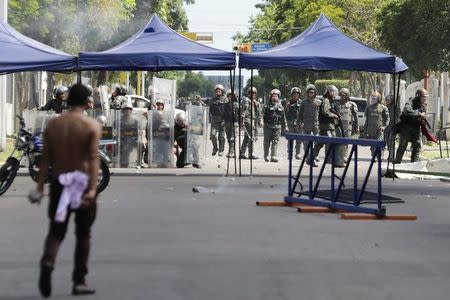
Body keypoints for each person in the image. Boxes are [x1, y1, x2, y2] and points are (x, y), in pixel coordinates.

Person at [31, 83, 101, 297]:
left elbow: (45, 160)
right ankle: (79, 281)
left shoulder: (54, 125)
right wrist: (91, 189)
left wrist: (40, 187)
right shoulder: (91, 125)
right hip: (81, 186)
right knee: (83, 233)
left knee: (57, 230)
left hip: (61, 185)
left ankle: (48, 260)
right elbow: (93, 159)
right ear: (86, 101)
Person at [395, 88, 428, 163]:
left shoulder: (423, 106)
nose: (425, 98)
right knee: (402, 147)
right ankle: (397, 165)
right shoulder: (411, 102)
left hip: (416, 128)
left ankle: (414, 165)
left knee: (417, 147)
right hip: (406, 127)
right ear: (418, 96)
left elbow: (422, 116)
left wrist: (422, 120)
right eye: (423, 96)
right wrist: (419, 114)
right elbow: (407, 111)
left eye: (426, 96)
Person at [310, 85, 339, 166]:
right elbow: (325, 112)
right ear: (328, 92)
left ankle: (310, 158)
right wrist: (334, 115)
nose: (334, 93)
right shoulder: (326, 100)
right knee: (333, 141)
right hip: (327, 126)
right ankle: (332, 159)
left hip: (326, 126)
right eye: (332, 91)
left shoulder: (329, 100)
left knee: (320, 143)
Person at [262, 89, 288, 162]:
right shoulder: (266, 106)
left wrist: (285, 126)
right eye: (273, 96)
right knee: (267, 142)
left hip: (277, 127)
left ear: (278, 97)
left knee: (275, 141)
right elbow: (261, 115)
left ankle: (273, 156)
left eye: (276, 96)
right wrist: (261, 122)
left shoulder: (281, 107)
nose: (274, 97)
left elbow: (284, 118)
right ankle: (266, 155)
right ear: (271, 97)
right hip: (268, 126)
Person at [335, 88, 359, 164]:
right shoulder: (336, 104)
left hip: (348, 126)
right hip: (338, 126)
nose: (342, 97)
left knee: (346, 142)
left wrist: (357, 126)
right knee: (339, 142)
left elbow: (356, 116)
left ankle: (345, 156)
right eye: (341, 95)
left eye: (344, 95)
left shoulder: (351, 105)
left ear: (347, 96)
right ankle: (339, 156)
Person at [363, 92, 389, 157]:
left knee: (379, 143)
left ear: (378, 99)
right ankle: (373, 156)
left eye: (374, 98)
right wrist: (365, 130)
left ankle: (380, 155)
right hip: (370, 129)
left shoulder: (383, 108)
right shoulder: (368, 108)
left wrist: (384, 126)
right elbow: (367, 120)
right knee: (372, 144)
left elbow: (387, 118)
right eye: (372, 98)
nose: (373, 100)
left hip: (379, 129)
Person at [298, 84, 321, 157]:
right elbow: (300, 114)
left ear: (315, 93)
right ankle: (308, 155)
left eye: (312, 92)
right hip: (306, 123)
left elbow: (321, 113)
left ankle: (315, 155)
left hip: (315, 123)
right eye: (310, 92)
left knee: (317, 140)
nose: (311, 94)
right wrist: (299, 122)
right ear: (307, 93)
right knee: (306, 141)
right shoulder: (303, 102)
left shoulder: (318, 102)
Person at [239, 87, 262, 159]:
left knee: (246, 138)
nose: (253, 94)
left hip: (253, 120)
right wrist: (242, 122)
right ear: (248, 93)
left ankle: (242, 153)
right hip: (248, 120)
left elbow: (259, 113)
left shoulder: (256, 102)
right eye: (251, 93)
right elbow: (243, 112)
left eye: (254, 93)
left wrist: (260, 121)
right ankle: (250, 154)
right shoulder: (246, 101)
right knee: (251, 137)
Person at [209, 84, 228, 156]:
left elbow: (228, 109)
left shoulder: (225, 99)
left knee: (222, 137)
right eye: (216, 91)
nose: (217, 92)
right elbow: (207, 107)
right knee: (212, 135)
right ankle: (215, 148)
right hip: (214, 120)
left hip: (222, 120)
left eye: (219, 91)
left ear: (222, 92)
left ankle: (221, 150)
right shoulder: (212, 100)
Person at [285, 87, 302, 159]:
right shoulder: (288, 103)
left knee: (299, 139)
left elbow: (304, 113)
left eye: (297, 94)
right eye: (294, 94)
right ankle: (290, 153)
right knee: (290, 139)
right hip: (290, 123)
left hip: (299, 123)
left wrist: (302, 122)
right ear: (292, 95)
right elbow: (285, 114)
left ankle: (298, 153)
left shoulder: (301, 103)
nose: (296, 96)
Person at [384, 94, 401, 162]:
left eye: (388, 100)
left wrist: (397, 126)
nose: (387, 101)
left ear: (392, 100)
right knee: (388, 142)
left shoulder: (396, 108)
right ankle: (390, 155)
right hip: (386, 128)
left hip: (393, 127)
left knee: (392, 141)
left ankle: (392, 157)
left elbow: (399, 117)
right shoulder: (385, 107)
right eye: (386, 100)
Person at [223, 89, 240, 158]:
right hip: (227, 123)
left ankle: (232, 153)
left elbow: (240, 114)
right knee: (228, 138)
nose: (231, 97)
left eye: (232, 96)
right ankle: (230, 151)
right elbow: (223, 113)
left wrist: (241, 123)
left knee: (232, 138)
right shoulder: (226, 104)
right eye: (229, 96)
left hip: (234, 123)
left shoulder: (237, 104)